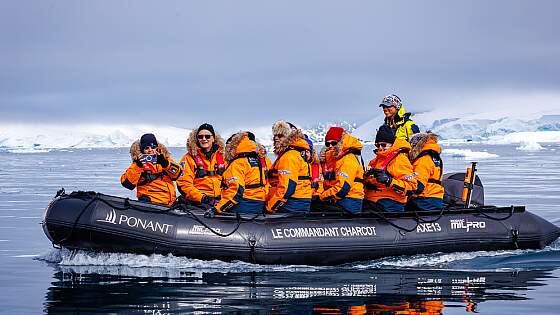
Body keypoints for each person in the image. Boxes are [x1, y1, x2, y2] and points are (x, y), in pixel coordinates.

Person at [204, 132, 267, 216]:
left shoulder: (237, 164)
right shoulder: (256, 161)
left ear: (232, 148)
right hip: (258, 204)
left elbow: (236, 191)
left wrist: (217, 209)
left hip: (244, 204)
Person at [363, 125, 418, 212]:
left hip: (390, 202)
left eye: (383, 145)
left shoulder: (399, 160)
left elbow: (412, 188)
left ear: (392, 144)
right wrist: (366, 178)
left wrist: (389, 180)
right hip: (372, 200)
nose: (380, 148)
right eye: (377, 145)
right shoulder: (374, 162)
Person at [120, 133, 181, 206]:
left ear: (157, 147)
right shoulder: (138, 164)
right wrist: (138, 165)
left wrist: (165, 163)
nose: (150, 150)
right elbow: (127, 183)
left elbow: (177, 174)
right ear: (142, 150)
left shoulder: (164, 159)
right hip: (151, 204)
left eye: (153, 147)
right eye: (146, 148)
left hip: (170, 204)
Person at [266, 120, 312, 213]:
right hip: (300, 200)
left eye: (280, 136)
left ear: (289, 137)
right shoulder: (296, 154)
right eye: (275, 135)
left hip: (292, 202)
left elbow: (287, 188)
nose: (276, 138)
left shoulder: (289, 156)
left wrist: (271, 207)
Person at [176, 123, 225, 207]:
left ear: (213, 138)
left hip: (221, 200)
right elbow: (184, 184)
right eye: (200, 136)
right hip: (199, 201)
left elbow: (232, 180)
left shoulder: (223, 157)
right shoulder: (188, 158)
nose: (204, 139)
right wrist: (204, 199)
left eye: (207, 136)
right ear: (197, 139)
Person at [319, 126, 364, 214]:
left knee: (316, 207)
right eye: (328, 144)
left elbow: (342, 188)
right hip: (339, 198)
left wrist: (321, 197)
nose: (330, 146)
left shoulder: (347, 159)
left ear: (340, 142)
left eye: (334, 143)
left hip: (350, 200)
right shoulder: (336, 159)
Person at [407, 132, 444, 211]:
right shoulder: (435, 158)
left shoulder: (422, 160)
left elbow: (419, 186)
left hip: (424, 200)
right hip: (436, 198)